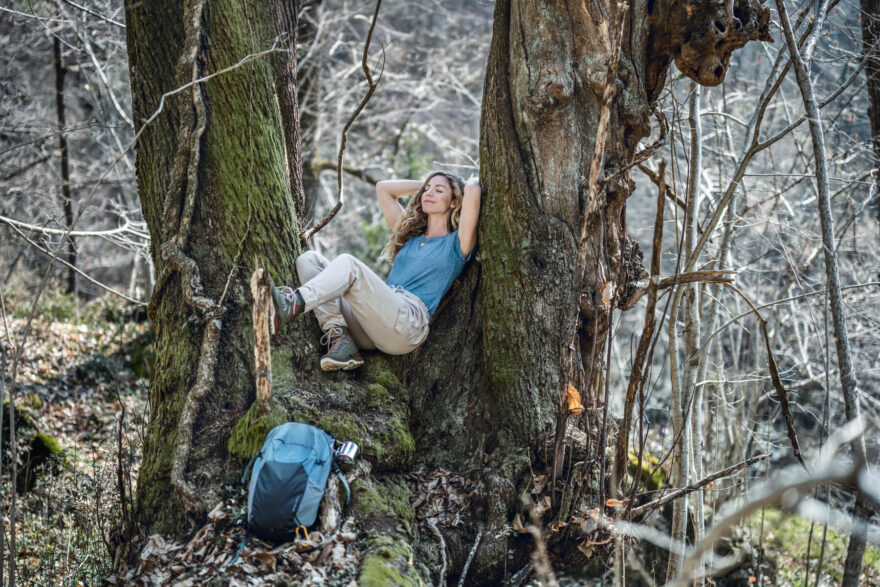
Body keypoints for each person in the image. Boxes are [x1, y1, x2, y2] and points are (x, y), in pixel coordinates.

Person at [270, 172, 481, 371]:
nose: (429, 193)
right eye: (427, 189)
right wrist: (427, 184)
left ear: (454, 202)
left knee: (348, 264)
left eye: (439, 190)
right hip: (374, 322)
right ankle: (341, 340)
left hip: (407, 323)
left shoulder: (456, 244)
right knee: (309, 260)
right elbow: (383, 189)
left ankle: (289, 305)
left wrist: (453, 183)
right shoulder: (409, 238)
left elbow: (472, 189)